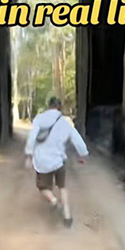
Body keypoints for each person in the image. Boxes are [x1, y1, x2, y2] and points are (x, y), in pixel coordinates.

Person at [24, 97, 88, 228]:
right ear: (60, 108)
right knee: (62, 187)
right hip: (59, 161)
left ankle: (53, 200)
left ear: (49, 106)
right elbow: (77, 140)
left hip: (42, 161)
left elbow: (31, 138)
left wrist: (29, 155)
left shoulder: (39, 119)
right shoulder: (65, 123)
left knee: (43, 187)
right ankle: (67, 216)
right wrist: (83, 154)